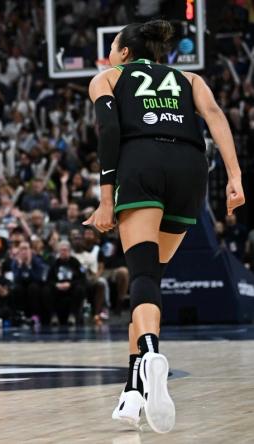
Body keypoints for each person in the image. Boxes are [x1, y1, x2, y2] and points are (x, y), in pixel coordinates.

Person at [84, 20, 246, 433]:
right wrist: (234, 178)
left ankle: (152, 353)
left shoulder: (108, 77)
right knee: (150, 280)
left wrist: (106, 200)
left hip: (141, 163)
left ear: (122, 53)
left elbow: (110, 130)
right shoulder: (189, 78)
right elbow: (215, 117)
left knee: (142, 278)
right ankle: (133, 390)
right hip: (190, 169)